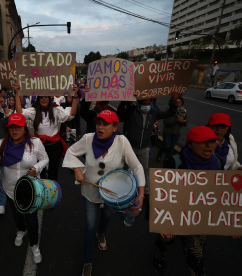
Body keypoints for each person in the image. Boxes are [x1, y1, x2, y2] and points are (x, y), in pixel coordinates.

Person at [62, 110, 145, 276]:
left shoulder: (122, 142)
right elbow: (70, 152)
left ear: (115, 127)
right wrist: (77, 169)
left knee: (106, 217)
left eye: (105, 124)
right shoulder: (88, 139)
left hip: (112, 195)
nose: (100, 127)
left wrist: (141, 194)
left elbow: (137, 167)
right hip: (90, 192)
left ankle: (101, 233)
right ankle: (87, 262)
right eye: (98, 123)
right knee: (90, 225)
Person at [153, 126, 223, 276]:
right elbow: (161, 194)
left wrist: (233, 224)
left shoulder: (217, 164)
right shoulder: (174, 162)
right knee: (166, 241)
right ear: (190, 144)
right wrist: (162, 223)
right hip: (176, 216)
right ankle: (158, 256)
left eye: (212, 142)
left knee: (196, 256)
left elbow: (219, 195)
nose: (209, 146)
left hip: (199, 219)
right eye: (203, 142)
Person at [0, 113, 49, 264]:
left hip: (30, 190)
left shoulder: (35, 143)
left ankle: (34, 245)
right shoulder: (3, 143)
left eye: (18, 127)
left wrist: (36, 167)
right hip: (9, 188)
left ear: (25, 128)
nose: (14, 130)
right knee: (16, 215)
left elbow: (45, 159)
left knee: (31, 218)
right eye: (11, 127)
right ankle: (21, 230)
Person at [15, 83, 78, 181]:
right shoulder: (34, 111)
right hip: (40, 146)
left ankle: (53, 193)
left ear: (49, 99)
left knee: (53, 172)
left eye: (46, 97)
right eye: (41, 98)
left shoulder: (56, 110)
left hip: (55, 146)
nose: (44, 99)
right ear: (38, 100)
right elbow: (20, 112)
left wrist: (74, 96)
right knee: (41, 172)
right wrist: (16, 93)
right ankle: (41, 192)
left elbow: (72, 113)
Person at [117, 97, 176, 197]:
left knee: (145, 170)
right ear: (139, 104)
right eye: (145, 103)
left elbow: (169, 113)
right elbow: (120, 116)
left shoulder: (154, 112)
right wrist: (126, 101)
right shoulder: (132, 111)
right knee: (126, 168)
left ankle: (146, 193)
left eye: (149, 103)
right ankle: (124, 191)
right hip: (130, 147)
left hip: (144, 147)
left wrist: (173, 100)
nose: (147, 105)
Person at [156, 97, 188, 162]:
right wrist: (176, 121)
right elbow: (165, 122)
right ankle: (159, 154)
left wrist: (183, 122)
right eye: (177, 102)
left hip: (177, 133)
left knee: (171, 147)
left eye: (180, 102)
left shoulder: (184, 111)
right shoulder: (169, 110)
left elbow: (186, 123)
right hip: (167, 131)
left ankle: (167, 159)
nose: (179, 103)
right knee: (166, 146)